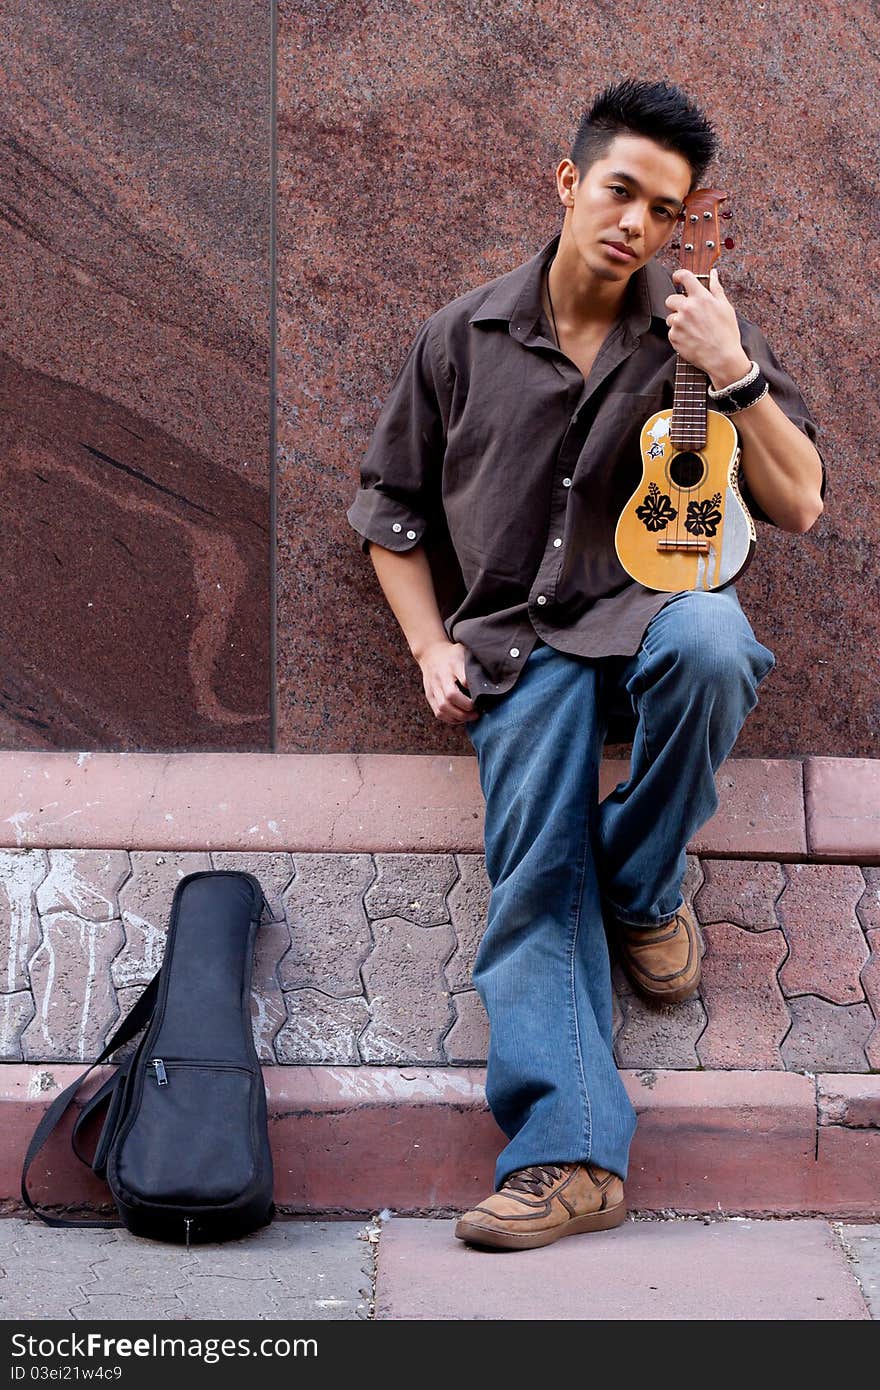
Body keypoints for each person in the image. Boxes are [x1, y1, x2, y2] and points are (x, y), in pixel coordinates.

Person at [347, 79, 825, 1251]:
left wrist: (737, 369)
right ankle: (568, 1158)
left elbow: (801, 502)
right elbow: (389, 512)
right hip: (515, 645)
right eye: (620, 191)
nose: (638, 225)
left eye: (664, 210)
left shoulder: (695, 328)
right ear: (568, 183)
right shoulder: (461, 335)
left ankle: (644, 881)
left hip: (650, 618)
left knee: (716, 637)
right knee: (533, 874)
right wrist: (425, 645)